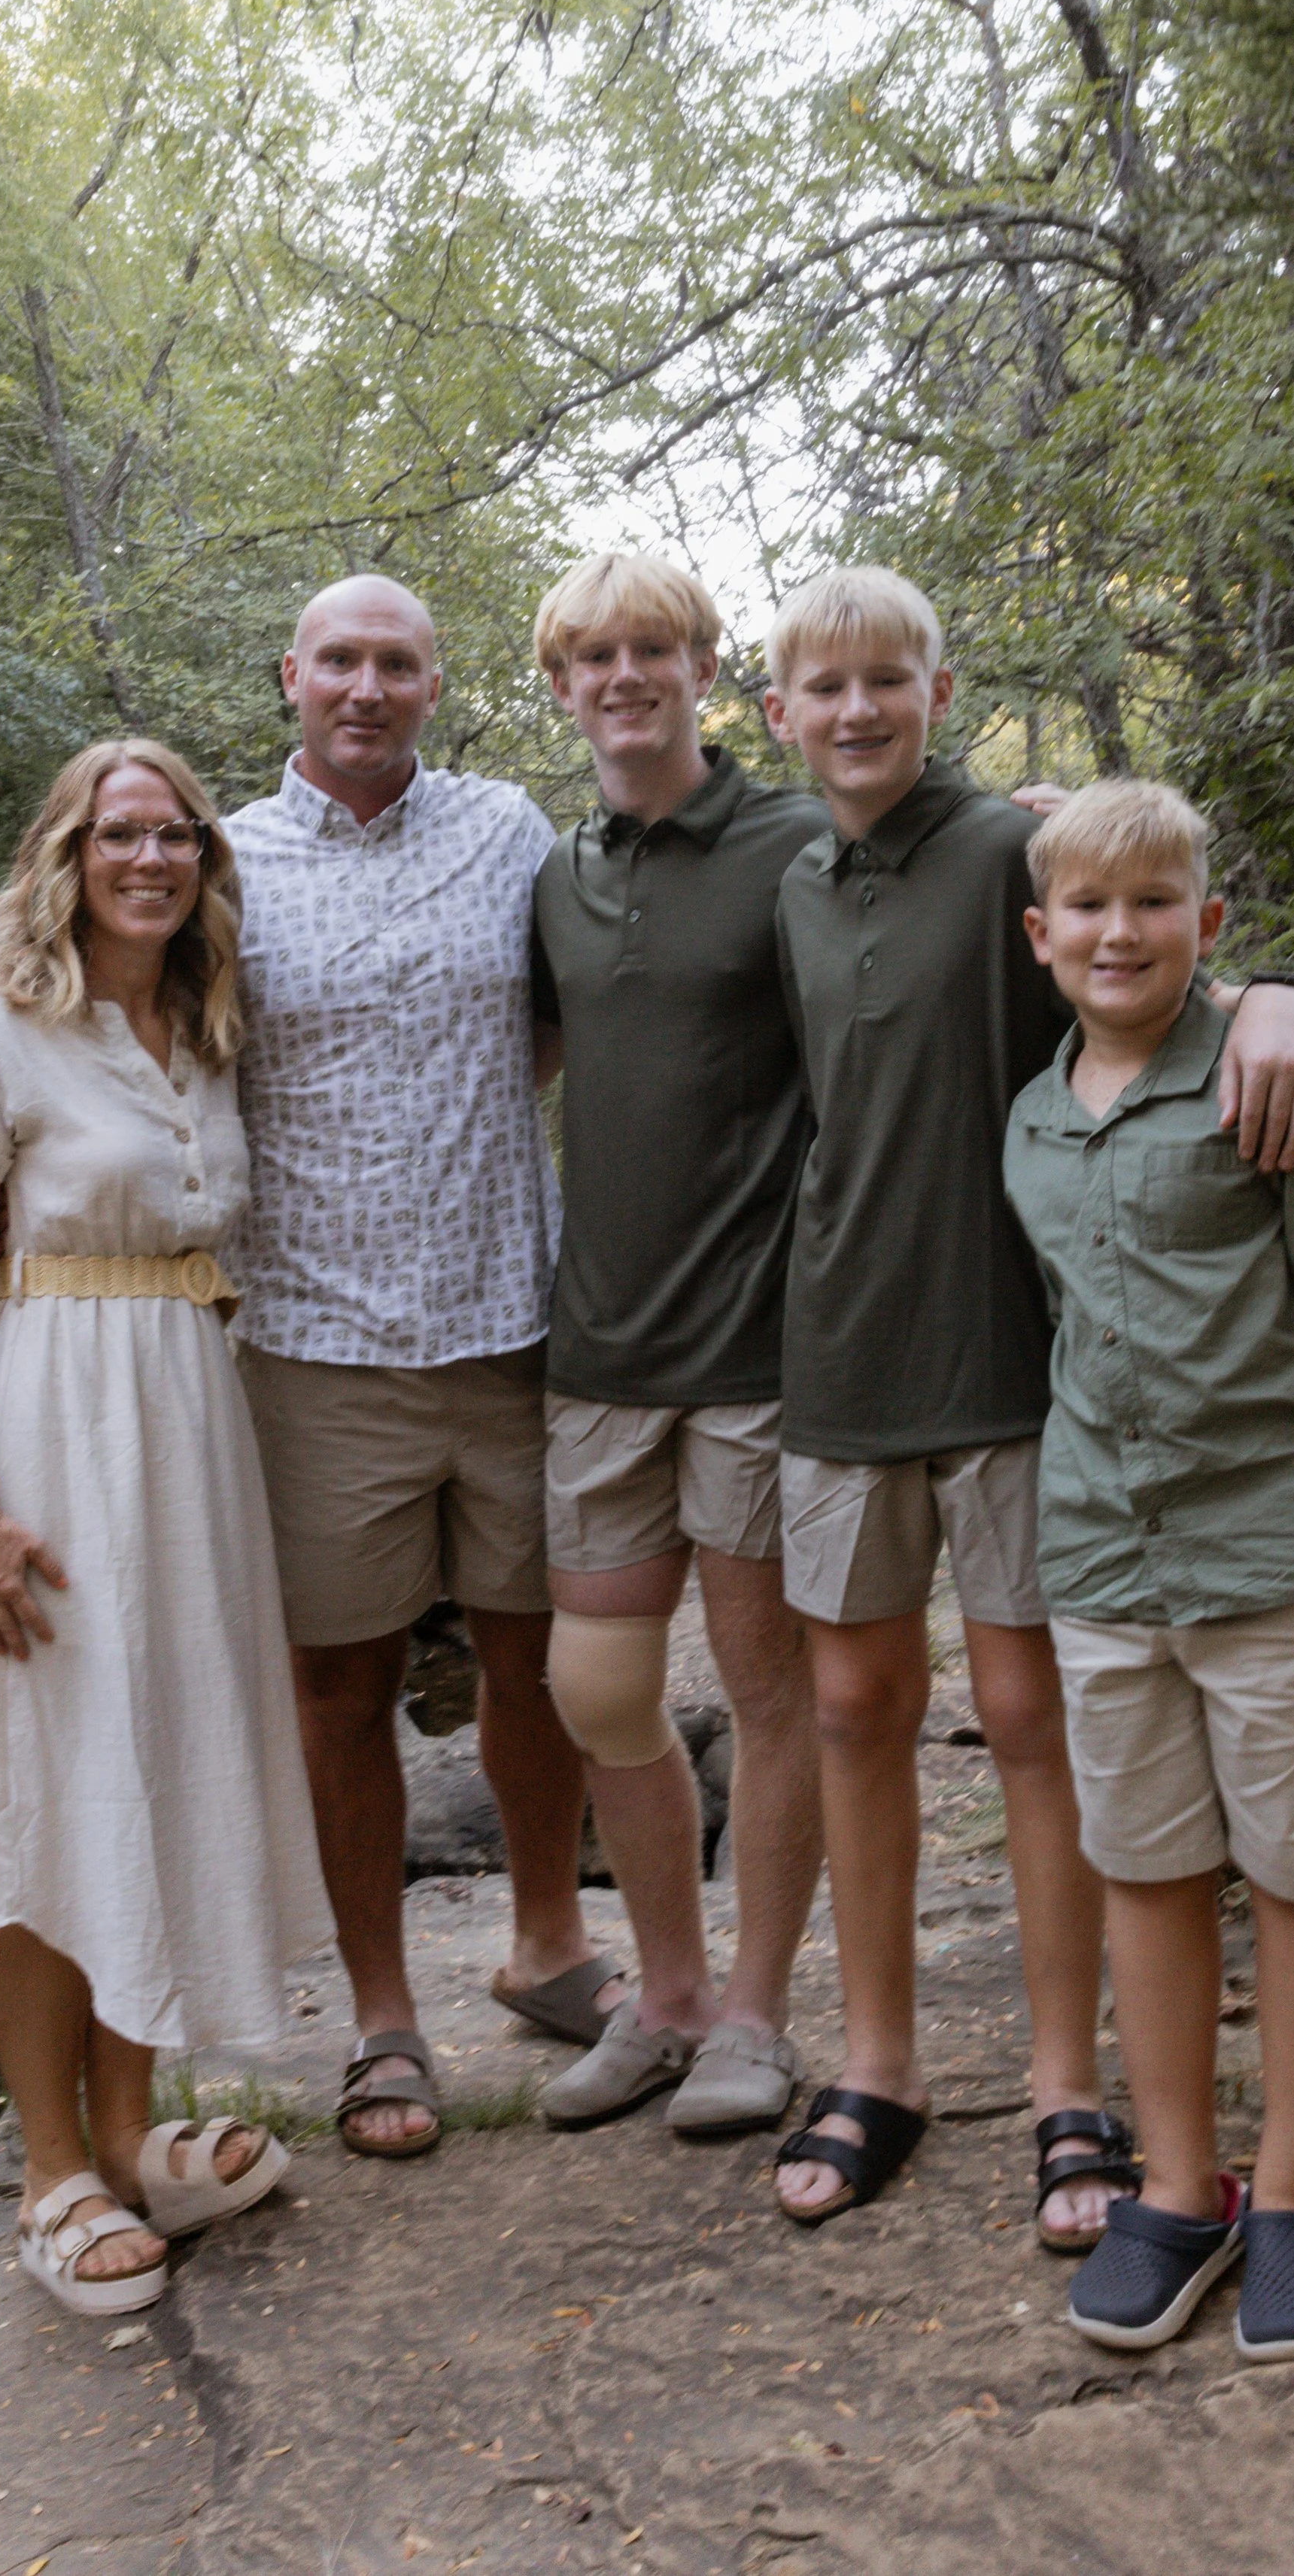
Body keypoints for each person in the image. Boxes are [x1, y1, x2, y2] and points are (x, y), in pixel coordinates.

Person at [761, 566, 1294, 2237]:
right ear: (780, 705)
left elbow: (1145, 933)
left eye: (890, 679)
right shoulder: (787, 878)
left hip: (1020, 1362)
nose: (857, 710)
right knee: (857, 1711)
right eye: (823, 685)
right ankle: (874, 2062)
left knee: (1032, 1726)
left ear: (936, 693)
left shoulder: (1013, 849)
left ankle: (1066, 2084)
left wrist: (1275, 989)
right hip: (838, 1353)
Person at [1005, 778, 1294, 2360]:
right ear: (1039, 936)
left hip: (1271, 1556)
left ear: (1209, 926)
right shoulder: (1033, 1114)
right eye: (1088, 908)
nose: (1120, 932)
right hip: (1105, 1563)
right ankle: (1177, 2186)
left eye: (1153, 903)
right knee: (1144, 1866)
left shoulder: (1278, 1085)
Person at [0, 739, 330, 2319]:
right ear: (67, 854)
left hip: (187, 1430)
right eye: (120, 834)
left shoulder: (205, 1033)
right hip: (47, 1433)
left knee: (142, 1771)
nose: (150, 858)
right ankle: (47, 2174)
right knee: (43, 1788)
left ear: (206, 866)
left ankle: (133, 2136)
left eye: (178, 837)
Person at [223, 573, 614, 2160]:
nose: (365, 688)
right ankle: (383, 2021)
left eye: (395, 664)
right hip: (312, 1345)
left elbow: (568, 1013)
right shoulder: (224, 865)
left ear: (435, 685)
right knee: (342, 1686)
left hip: (509, 1323)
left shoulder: (509, 832)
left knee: (538, 1661)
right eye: (338, 662)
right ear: (292, 677)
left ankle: (546, 1948)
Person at [527, 553, 830, 2139]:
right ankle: (665, 1999)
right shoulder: (557, 874)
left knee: (772, 1696)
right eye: (593, 653)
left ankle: (758, 2021)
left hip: (762, 1355)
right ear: (557, 686)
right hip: (596, 1354)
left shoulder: (796, 837)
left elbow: (1008, 871)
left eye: (652, 647)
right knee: (599, 1690)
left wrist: (1248, 989)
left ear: (704, 667)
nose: (622, 674)